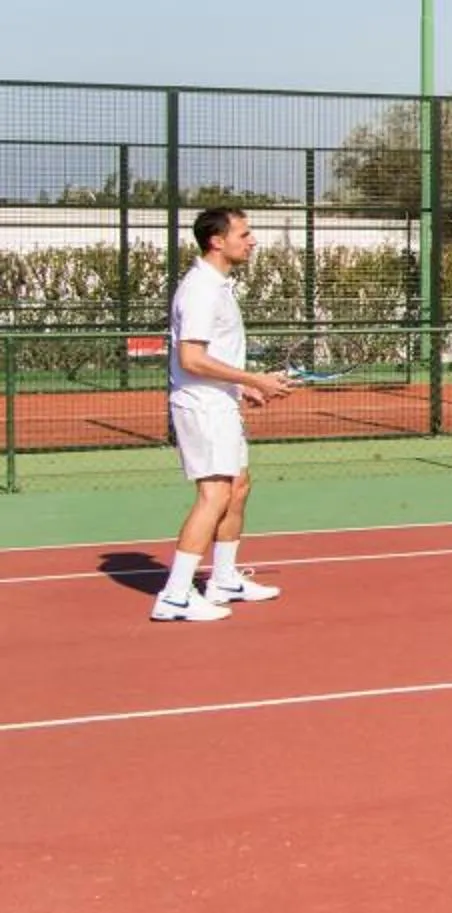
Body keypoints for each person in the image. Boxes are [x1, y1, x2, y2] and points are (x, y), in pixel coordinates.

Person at [153, 207, 296, 623]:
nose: (251, 241)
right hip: (201, 406)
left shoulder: (218, 286)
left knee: (237, 486)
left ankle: (224, 579)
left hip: (220, 401)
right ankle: (175, 595)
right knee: (213, 494)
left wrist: (243, 386)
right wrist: (254, 377)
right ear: (217, 241)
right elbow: (192, 358)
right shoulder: (201, 289)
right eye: (244, 233)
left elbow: (211, 356)